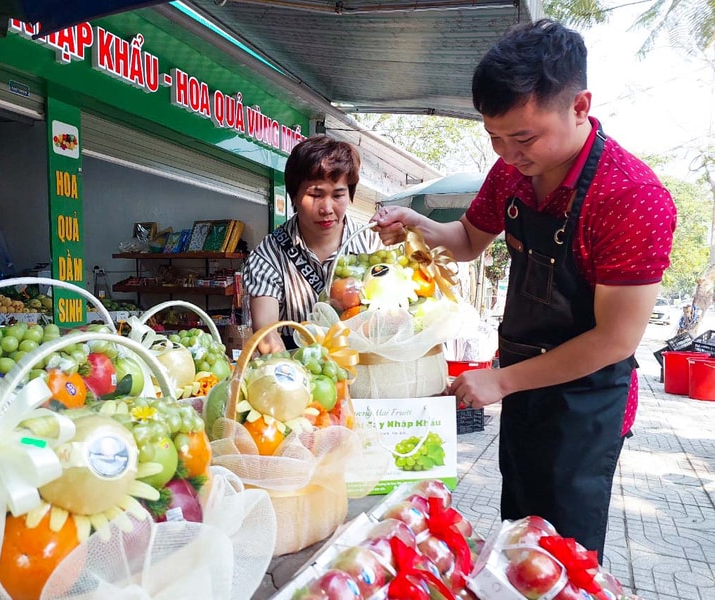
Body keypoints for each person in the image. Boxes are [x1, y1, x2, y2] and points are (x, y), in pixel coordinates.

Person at [372, 19, 676, 561]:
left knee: (563, 556)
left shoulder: (631, 197)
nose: (508, 153)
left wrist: (503, 381)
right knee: (518, 537)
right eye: (494, 137)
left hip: (585, 400)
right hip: (519, 387)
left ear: (580, 106)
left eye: (523, 137)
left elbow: (616, 339)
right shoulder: (511, 172)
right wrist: (416, 227)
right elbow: (466, 239)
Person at [243, 135, 382, 354]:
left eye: (338, 195)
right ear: (295, 196)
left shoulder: (372, 243)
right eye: (315, 195)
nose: (327, 208)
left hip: (367, 364)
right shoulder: (268, 255)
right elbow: (267, 334)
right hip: (302, 370)